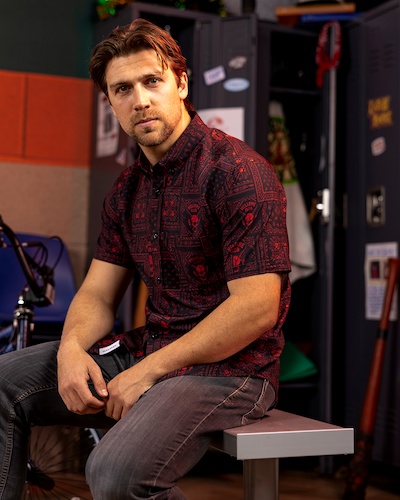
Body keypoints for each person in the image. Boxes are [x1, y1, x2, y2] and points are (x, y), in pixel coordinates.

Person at [0, 18, 291, 499]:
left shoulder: (238, 172)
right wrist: (71, 351)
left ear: (181, 83)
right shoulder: (127, 190)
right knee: (4, 383)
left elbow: (257, 308)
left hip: (233, 370)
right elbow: (97, 293)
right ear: (110, 103)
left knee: (114, 473)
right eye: (123, 89)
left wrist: (150, 370)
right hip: (152, 349)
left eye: (152, 81)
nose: (140, 99)